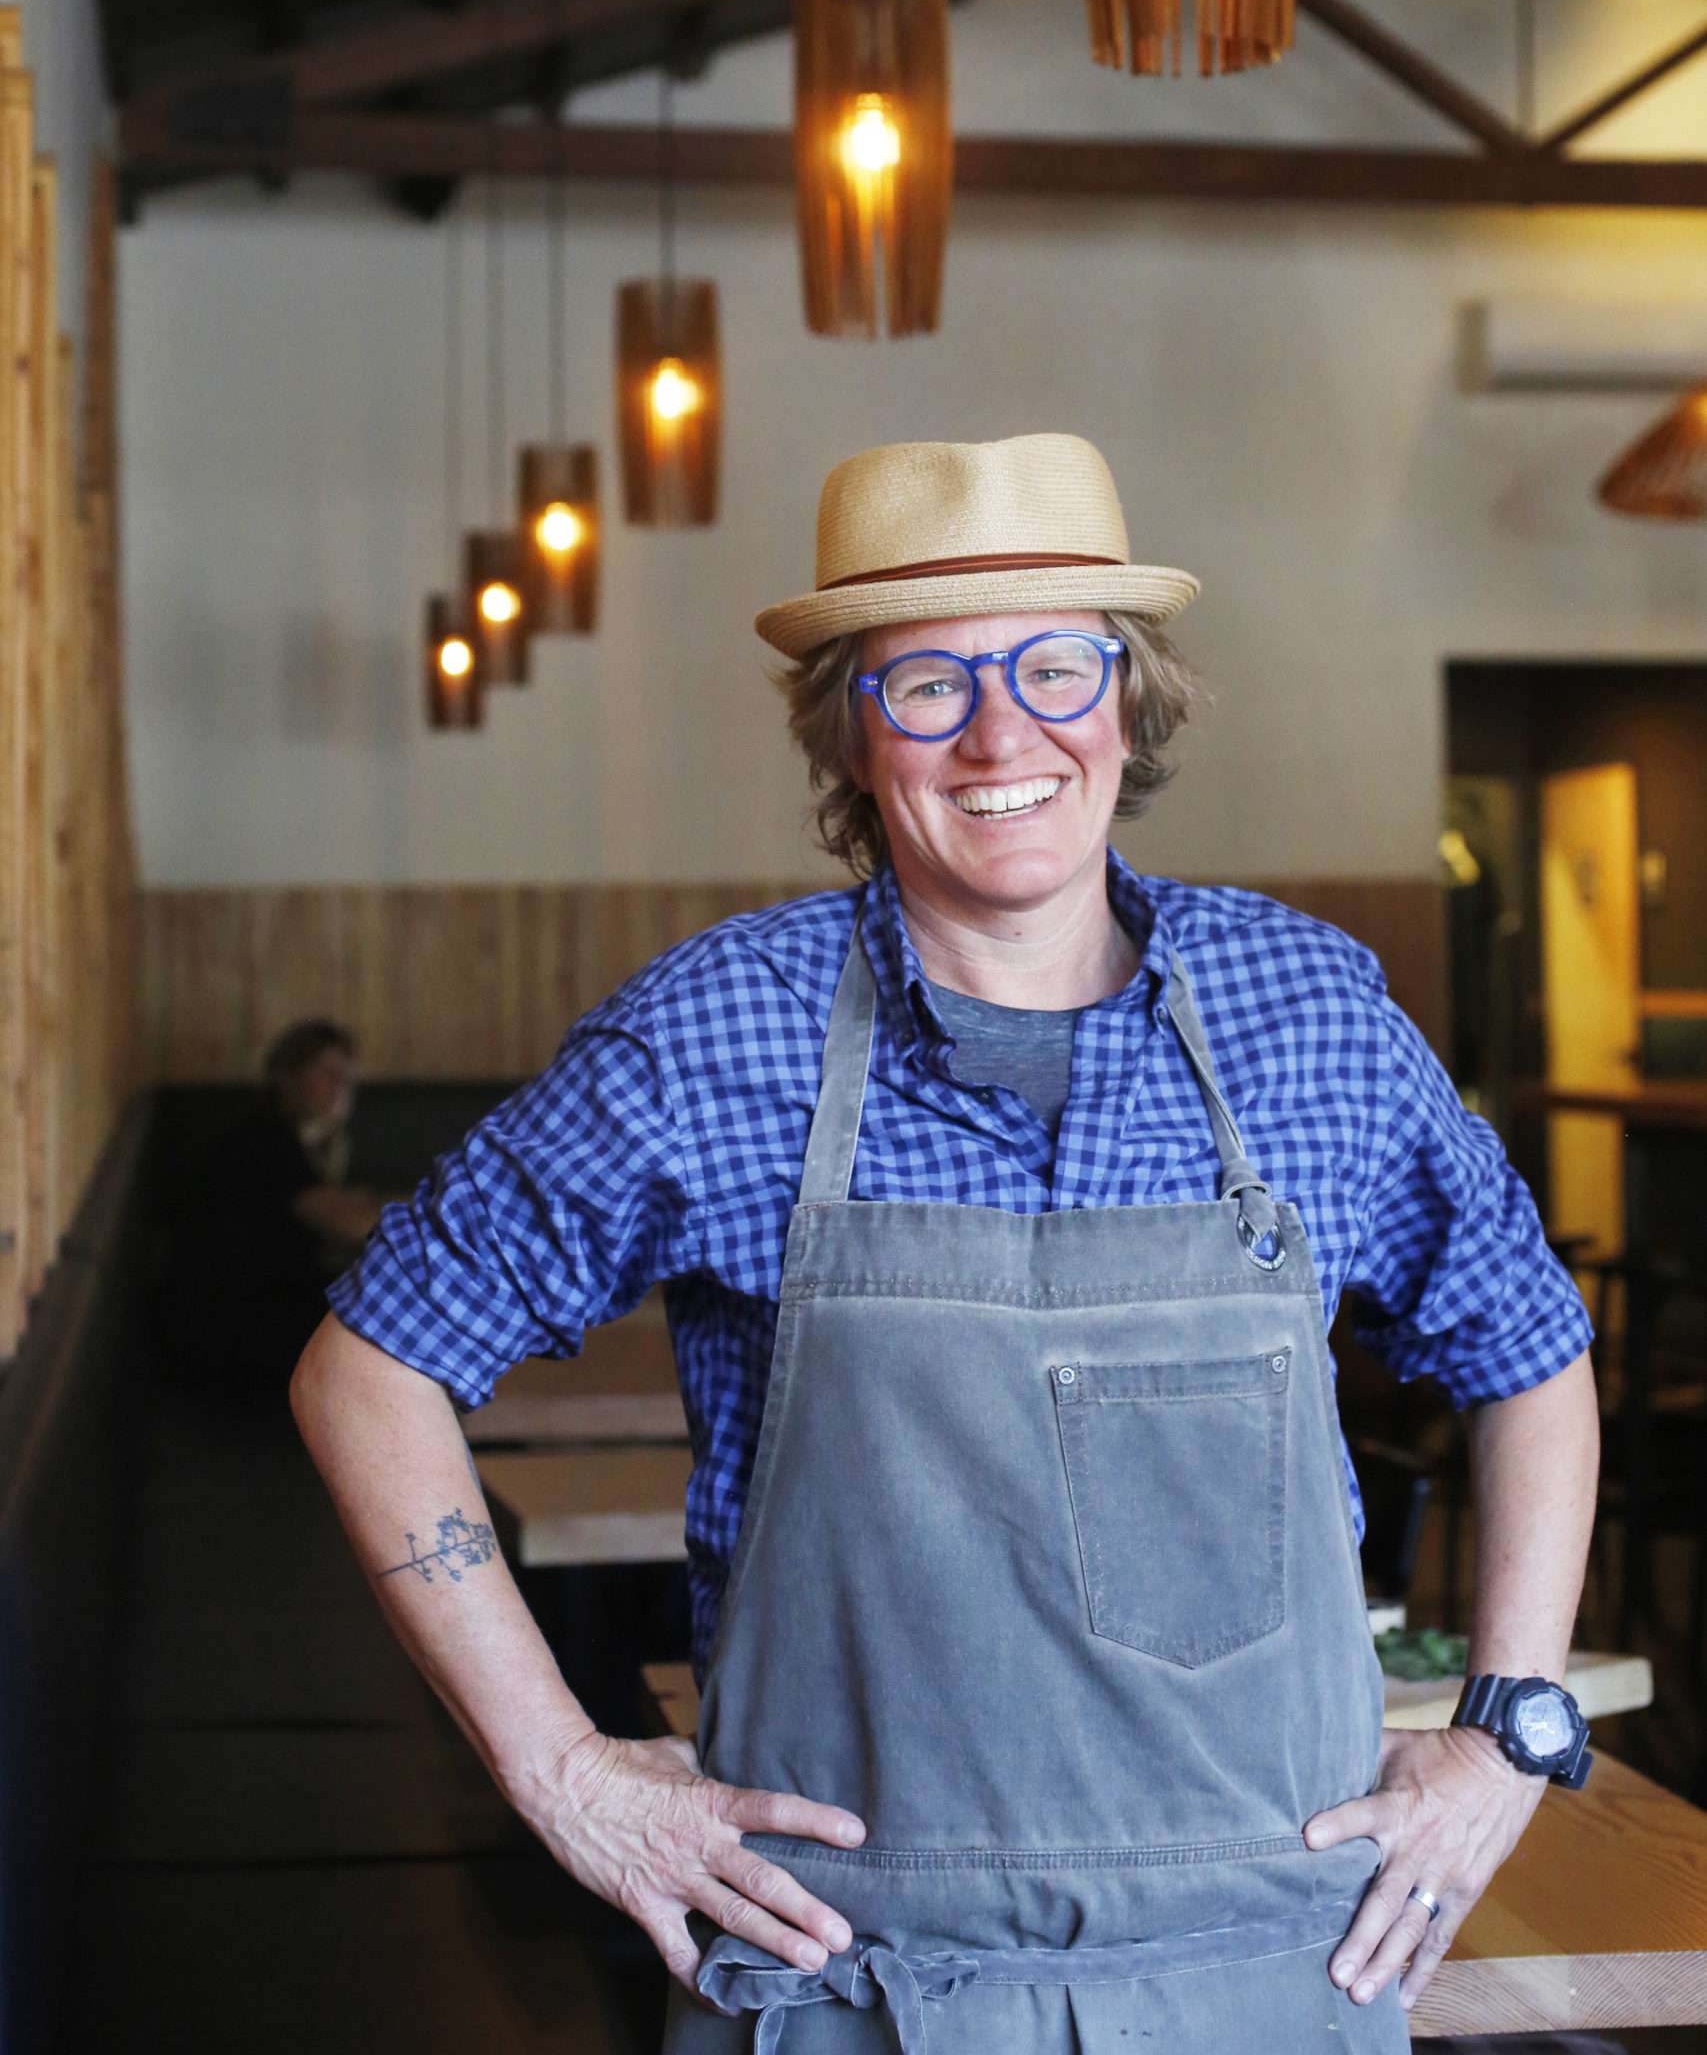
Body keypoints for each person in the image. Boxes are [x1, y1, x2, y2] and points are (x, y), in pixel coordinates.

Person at [293, 433, 1598, 2054]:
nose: (1003, 734)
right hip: (857, 1982)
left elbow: (1528, 1352)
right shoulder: (723, 1031)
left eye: (1058, 667)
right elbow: (369, 1370)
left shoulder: (1304, 1012)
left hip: (1275, 1973)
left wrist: (1505, 1729)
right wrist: (557, 1771)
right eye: (926, 687)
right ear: (851, 731)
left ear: (1132, 697)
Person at [159, 1019, 385, 1390]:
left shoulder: (298, 1142)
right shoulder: (264, 1141)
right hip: (225, 1336)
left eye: (347, 1075)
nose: (341, 1085)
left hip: (248, 1316)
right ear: (285, 1076)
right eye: (325, 1072)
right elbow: (351, 1224)